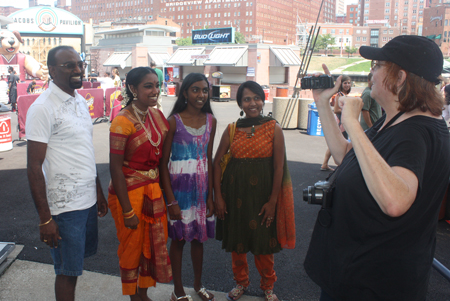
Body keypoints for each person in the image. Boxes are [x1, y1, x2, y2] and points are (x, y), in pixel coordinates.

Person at [304, 35, 450, 301]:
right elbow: (347, 155)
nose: (371, 72)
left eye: (378, 65)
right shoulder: (396, 121)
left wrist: (352, 123)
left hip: (372, 284)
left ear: (400, 77)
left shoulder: (414, 133)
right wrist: (323, 104)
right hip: (358, 274)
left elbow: (395, 200)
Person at [26, 45, 108, 301]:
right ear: (51, 70)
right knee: (66, 272)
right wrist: (45, 219)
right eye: (68, 65)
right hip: (63, 208)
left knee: (75, 268)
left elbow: (84, 151)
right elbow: (33, 166)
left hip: (86, 202)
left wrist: (98, 192)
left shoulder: (80, 101)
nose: (77, 69)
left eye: (79, 64)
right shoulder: (42, 108)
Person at [214, 81, 295, 301]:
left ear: (263, 100)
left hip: (263, 198)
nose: (253, 103)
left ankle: (268, 285)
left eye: (257, 97)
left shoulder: (273, 128)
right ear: (240, 103)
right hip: (235, 197)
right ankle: (241, 282)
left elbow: (279, 167)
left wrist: (273, 202)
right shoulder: (232, 129)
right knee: (238, 245)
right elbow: (217, 162)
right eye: (247, 99)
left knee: (263, 245)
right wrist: (218, 197)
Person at [108, 67, 172, 301]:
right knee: (132, 247)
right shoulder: (122, 121)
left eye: (157, 85)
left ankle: (143, 294)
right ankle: (135, 297)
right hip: (129, 193)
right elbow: (115, 168)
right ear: (133, 89)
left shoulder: (156, 116)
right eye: (148, 86)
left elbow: (162, 160)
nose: (155, 91)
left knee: (152, 245)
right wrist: (127, 211)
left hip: (153, 192)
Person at [159, 73, 217, 301]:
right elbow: (163, 164)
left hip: (201, 190)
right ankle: (177, 289)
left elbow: (209, 159)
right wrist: (171, 200)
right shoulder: (173, 121)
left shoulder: (211, 121)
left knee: (198, 239)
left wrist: (211, 197)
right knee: (179, 239)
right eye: (195, 90)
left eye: (204, 90)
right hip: (179, 190)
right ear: (184, 93)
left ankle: (198, 284)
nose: (201, 95)